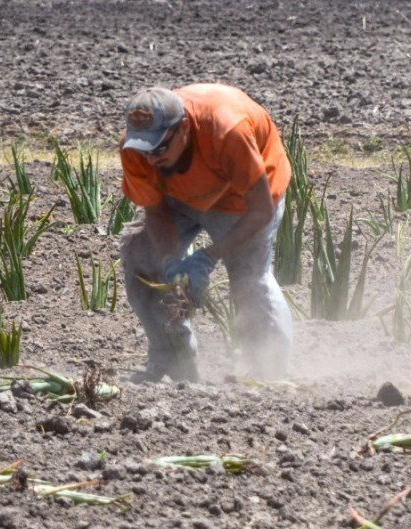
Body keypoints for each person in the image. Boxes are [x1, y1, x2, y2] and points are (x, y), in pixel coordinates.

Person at [118, 84, 292, 383]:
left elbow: (260, 210)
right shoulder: (136, 150)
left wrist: (208, 257)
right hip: (178, 195)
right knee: (142, 261)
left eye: (158, 148)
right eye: (144, 151)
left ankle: (267, 375)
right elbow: (157, 211)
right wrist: (170, 260)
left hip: (243, 200)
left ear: (183, 127)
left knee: (250, 279)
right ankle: (176, 365)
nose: (151, 159)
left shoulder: (227, 132)